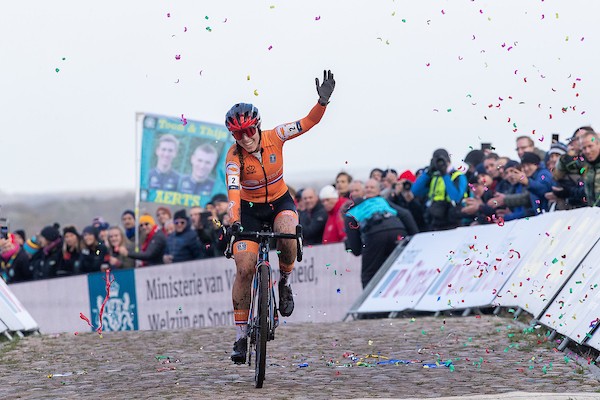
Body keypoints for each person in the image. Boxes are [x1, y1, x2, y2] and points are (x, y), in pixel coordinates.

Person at [224, 69, 335, 364]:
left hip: (279, 202)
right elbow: (233, 191)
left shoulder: (277, 136)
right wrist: (234, 218)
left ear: (257, 127)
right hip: (247, 211)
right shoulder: (234, 157)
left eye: (249, 131)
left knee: (287, 233)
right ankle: (240, 335)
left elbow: (308, 123)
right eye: (238, 133)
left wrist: (321, 103)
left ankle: (284, 284)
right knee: (245, 268)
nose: (245, 138)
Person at [345, 178, 419, 288]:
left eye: (371, 188)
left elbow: (356, 250)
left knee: (369, 275)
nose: (369, 190)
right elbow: (406, 214)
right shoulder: (383, 201)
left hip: (375, 235)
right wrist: (416, 238)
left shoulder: (351, 213)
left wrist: (348, 245)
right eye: (367, 187)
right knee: (398, 268)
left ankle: (369, 304)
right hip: (397, 230)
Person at [412, 148, 468, 231]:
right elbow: (415, 191)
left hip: (453, 222)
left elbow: (456, 197)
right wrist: (428, 173)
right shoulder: (433, 177)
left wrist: (445, 174)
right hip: (435, 221)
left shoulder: (458, 176)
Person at [580, 130, 600, 206]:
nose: (587, 151)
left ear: (598, 144)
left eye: (590, 146)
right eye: (584, 148)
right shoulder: (586, 169)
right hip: (593, 215)